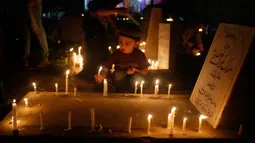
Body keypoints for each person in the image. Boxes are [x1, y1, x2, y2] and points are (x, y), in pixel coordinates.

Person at [94, 23, 150, 92]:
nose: (123, 46)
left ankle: (135, 92)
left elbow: (145, 72)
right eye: (120, 42)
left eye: (127, 43)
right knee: (118, 75)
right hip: (119, 79)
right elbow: (105, 69)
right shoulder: (116, 54)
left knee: (136, 78)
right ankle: (118, 91)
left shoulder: (139, 55)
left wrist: (135, 70)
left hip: (134, 79)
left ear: (136, 44)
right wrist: (102, 75)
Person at [24, 0, 50, 68]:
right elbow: (29, 8)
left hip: (35, 21)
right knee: (42, 40)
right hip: (36, 21)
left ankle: (26, 62)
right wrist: (34, 23)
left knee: (28, 41)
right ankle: (45, 60)